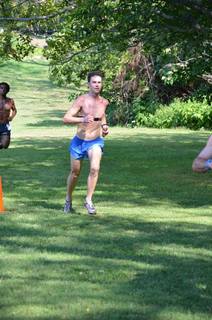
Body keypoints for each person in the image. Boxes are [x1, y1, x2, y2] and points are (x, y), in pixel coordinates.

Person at [63, 71, 109, 215]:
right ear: (89, 84)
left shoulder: (104, 102)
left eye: (99, 82)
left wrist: (104, 127)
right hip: (79, 141)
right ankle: (68, 199)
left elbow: (101, 117)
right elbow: (66, 118)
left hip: (95, 141)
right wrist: (81, 119)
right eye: (94, 82)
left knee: (95, 168)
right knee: (75, 173)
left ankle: (88, 200)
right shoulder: (81, 100)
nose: (97, 85)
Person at [0, 82, 17, 149]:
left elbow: (14, 110)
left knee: (5, 146)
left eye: (5, 88)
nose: (3, 90)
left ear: (7, 90)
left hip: (5, 125)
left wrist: (11, 117)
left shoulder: (10, 101)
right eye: (1, 88)